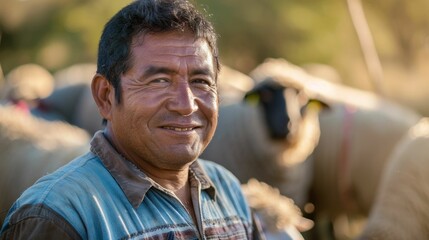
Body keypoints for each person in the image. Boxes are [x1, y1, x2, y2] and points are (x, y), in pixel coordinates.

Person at [0, 0, 264, 239]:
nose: (186, 104)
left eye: (201, 81)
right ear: (105, 96)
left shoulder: (228, 192)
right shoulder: (60, 216)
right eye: (159, 81)